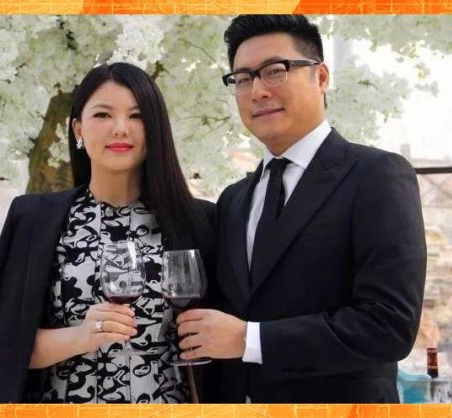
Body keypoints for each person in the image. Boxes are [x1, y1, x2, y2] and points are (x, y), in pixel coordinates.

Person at [176, 15, 427, 403]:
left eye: (275, 71)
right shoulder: (233, 199)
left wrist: (249, 339)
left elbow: (389, 326)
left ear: (321, 77)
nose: (257, 90)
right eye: (242, 79)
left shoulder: (376, 175)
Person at [0, 62, 215, 403]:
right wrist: (81, 336)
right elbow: (3, 348)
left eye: (137, 116)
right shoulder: (33, 219)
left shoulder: (198, 220)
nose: (120, 129)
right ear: (78, 129)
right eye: (103, 115)